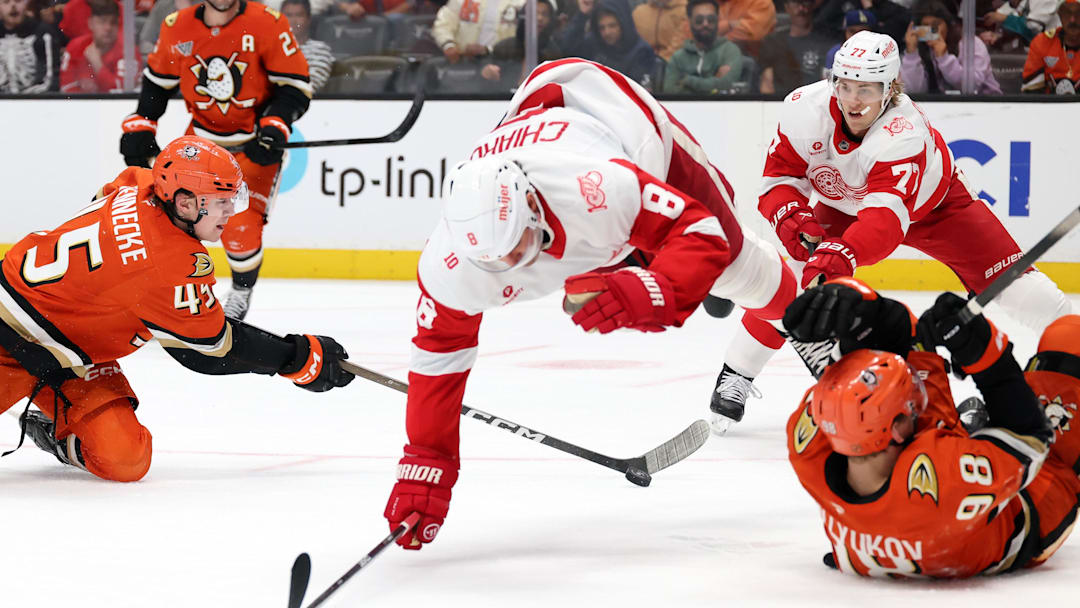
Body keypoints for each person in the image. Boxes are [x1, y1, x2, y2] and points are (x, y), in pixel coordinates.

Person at [382, 57, 799, 550]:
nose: (511, 268)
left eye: (517, 247)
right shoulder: (449, 265)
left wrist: (658, 289)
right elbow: (437, 364)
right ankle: (648, 262)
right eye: (493, 262)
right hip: (547, 134)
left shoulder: (597, 189)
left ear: (533, 207)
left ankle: (784, 310)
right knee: (619, 264)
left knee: (733, 261)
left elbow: (699, 231)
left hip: (618, 118)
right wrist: (426, 463)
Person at [709, 29, 1070, 433]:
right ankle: (736, 371)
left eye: (867, 89)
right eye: (845, 86)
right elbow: (779, 179)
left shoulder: (903, 132)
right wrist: (791, 216)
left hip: (939, 209)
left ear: (891, 88)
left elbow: (884, 223)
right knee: (795, 282)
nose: (854, 101)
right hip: (845, 204)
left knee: (1019, 289)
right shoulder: (803, 108)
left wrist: (842, 253)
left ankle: (1073, 349)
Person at [0, 136, 354, 482]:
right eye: (222, 201)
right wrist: (296, 358)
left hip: (72, 350)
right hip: (9, 343)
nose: (231, 211)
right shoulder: (168, 263)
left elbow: (104, 198)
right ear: (185, 204)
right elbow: (210, 353)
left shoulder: (139, 182)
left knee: (125, 458)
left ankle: (52, 426)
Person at [781, 278, 1079, 578]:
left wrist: (872, 311)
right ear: (898, 427)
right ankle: (983, 435)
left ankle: (971, 430)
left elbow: (849, 380)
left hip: (924, 480)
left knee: (897, 334)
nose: (917, 395)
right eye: (912, 399)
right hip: (1022, 500)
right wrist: (987, 358)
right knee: (1069, 336)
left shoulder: (813, 446)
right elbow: (1030, 438)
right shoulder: (947, 474)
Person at [120, 0, 312, 321]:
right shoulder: (176, 26)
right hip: (200, 142)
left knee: (239, 222)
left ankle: (240, 291)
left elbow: (295, 87)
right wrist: (142, 122)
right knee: (170, 212)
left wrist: (275, 123)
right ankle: (172, 290)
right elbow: (158, 83)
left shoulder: (267, 23)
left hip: (253, 144)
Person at [900, 0, 1001, 94]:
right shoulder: (925, 47)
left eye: (936, 25)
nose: (932, 31)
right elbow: (915, 90)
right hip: (944, 104)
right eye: (926, 26)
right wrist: (911, 54)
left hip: (987, 101)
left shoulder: (971, 43)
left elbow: (973, 86)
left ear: (947, 24)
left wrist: (944, 58)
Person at [663, 0, 744, 94]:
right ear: (689, 21)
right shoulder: (678, 57)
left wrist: (687, 80)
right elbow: (670, 91)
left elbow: (726, 85)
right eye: (699, 20)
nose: (705, 24)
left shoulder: (730, 51)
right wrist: (714, 82)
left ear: (718, 20)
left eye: (711, 19)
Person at [758, 0, 834, 95]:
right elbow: (767, 82)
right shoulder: (773, 42)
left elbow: (828, 83)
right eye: (796, 3)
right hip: (779, 102)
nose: (801, 8)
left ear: (812, 6)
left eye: (805, 3)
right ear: (787, 7)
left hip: (814, 102)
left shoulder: (827, 42)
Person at [582, 0, 659, 85]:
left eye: (612, 26)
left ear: (623, 24)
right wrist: (581, 15)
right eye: (602, 28)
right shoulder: (596, 45)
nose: (607, 32)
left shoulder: (642, 52)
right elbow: (569, 50)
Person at [60, 0, 129, 93]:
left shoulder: (127, 50)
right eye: (102, 22)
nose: (108, 28)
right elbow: (65, 88)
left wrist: (97, 64)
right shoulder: (75, 47)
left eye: (113, 23)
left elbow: (122, 92)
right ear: (90, 23)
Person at [0, 0, 62, 93]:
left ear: (27, 4)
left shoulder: (43, 33)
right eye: (6, 2)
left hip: (36, 102)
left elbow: (52, 80)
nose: (13, 6)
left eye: (18, 1)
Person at [433, 0, 523, 64]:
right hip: (464, 63)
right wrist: (449, 45)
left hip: (506, 64)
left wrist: (487, 50)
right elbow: (443, 24)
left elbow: (527, 39)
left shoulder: (522, 3)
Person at [1021, 0, 1080, 95]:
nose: (1072, 19)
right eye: (1067, 13)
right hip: (1048, 108)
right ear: (1059, 14)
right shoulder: (1042, 42)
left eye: (1078, 13)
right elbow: (1031, 94)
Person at [282, 0, 333, 92]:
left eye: (299, 15)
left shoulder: (320, 49)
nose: (293, 21)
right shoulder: (270, 48)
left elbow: (312, 85)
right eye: (288, 15)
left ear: (308, 19)